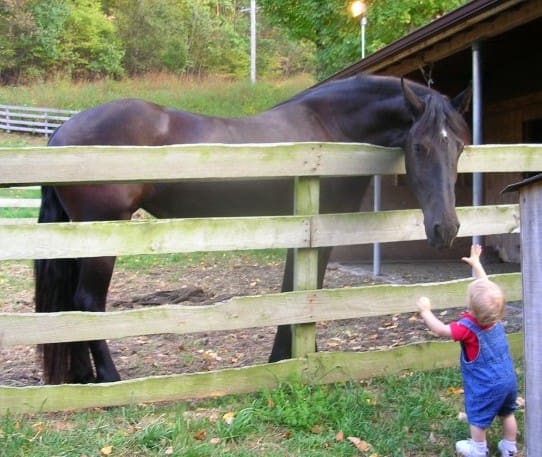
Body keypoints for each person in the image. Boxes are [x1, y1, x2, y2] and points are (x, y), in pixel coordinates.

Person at [416, 244, 518, 457]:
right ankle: (510, 446)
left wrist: (426, 312)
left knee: (478, 416)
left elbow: (442, 330)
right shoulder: (496, 319)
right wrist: (477, 264)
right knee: (508, 413)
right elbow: (485, 286)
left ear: (471, 306)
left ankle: (478, 448)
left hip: (485, 385)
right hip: (508, 380)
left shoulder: (467, 328)